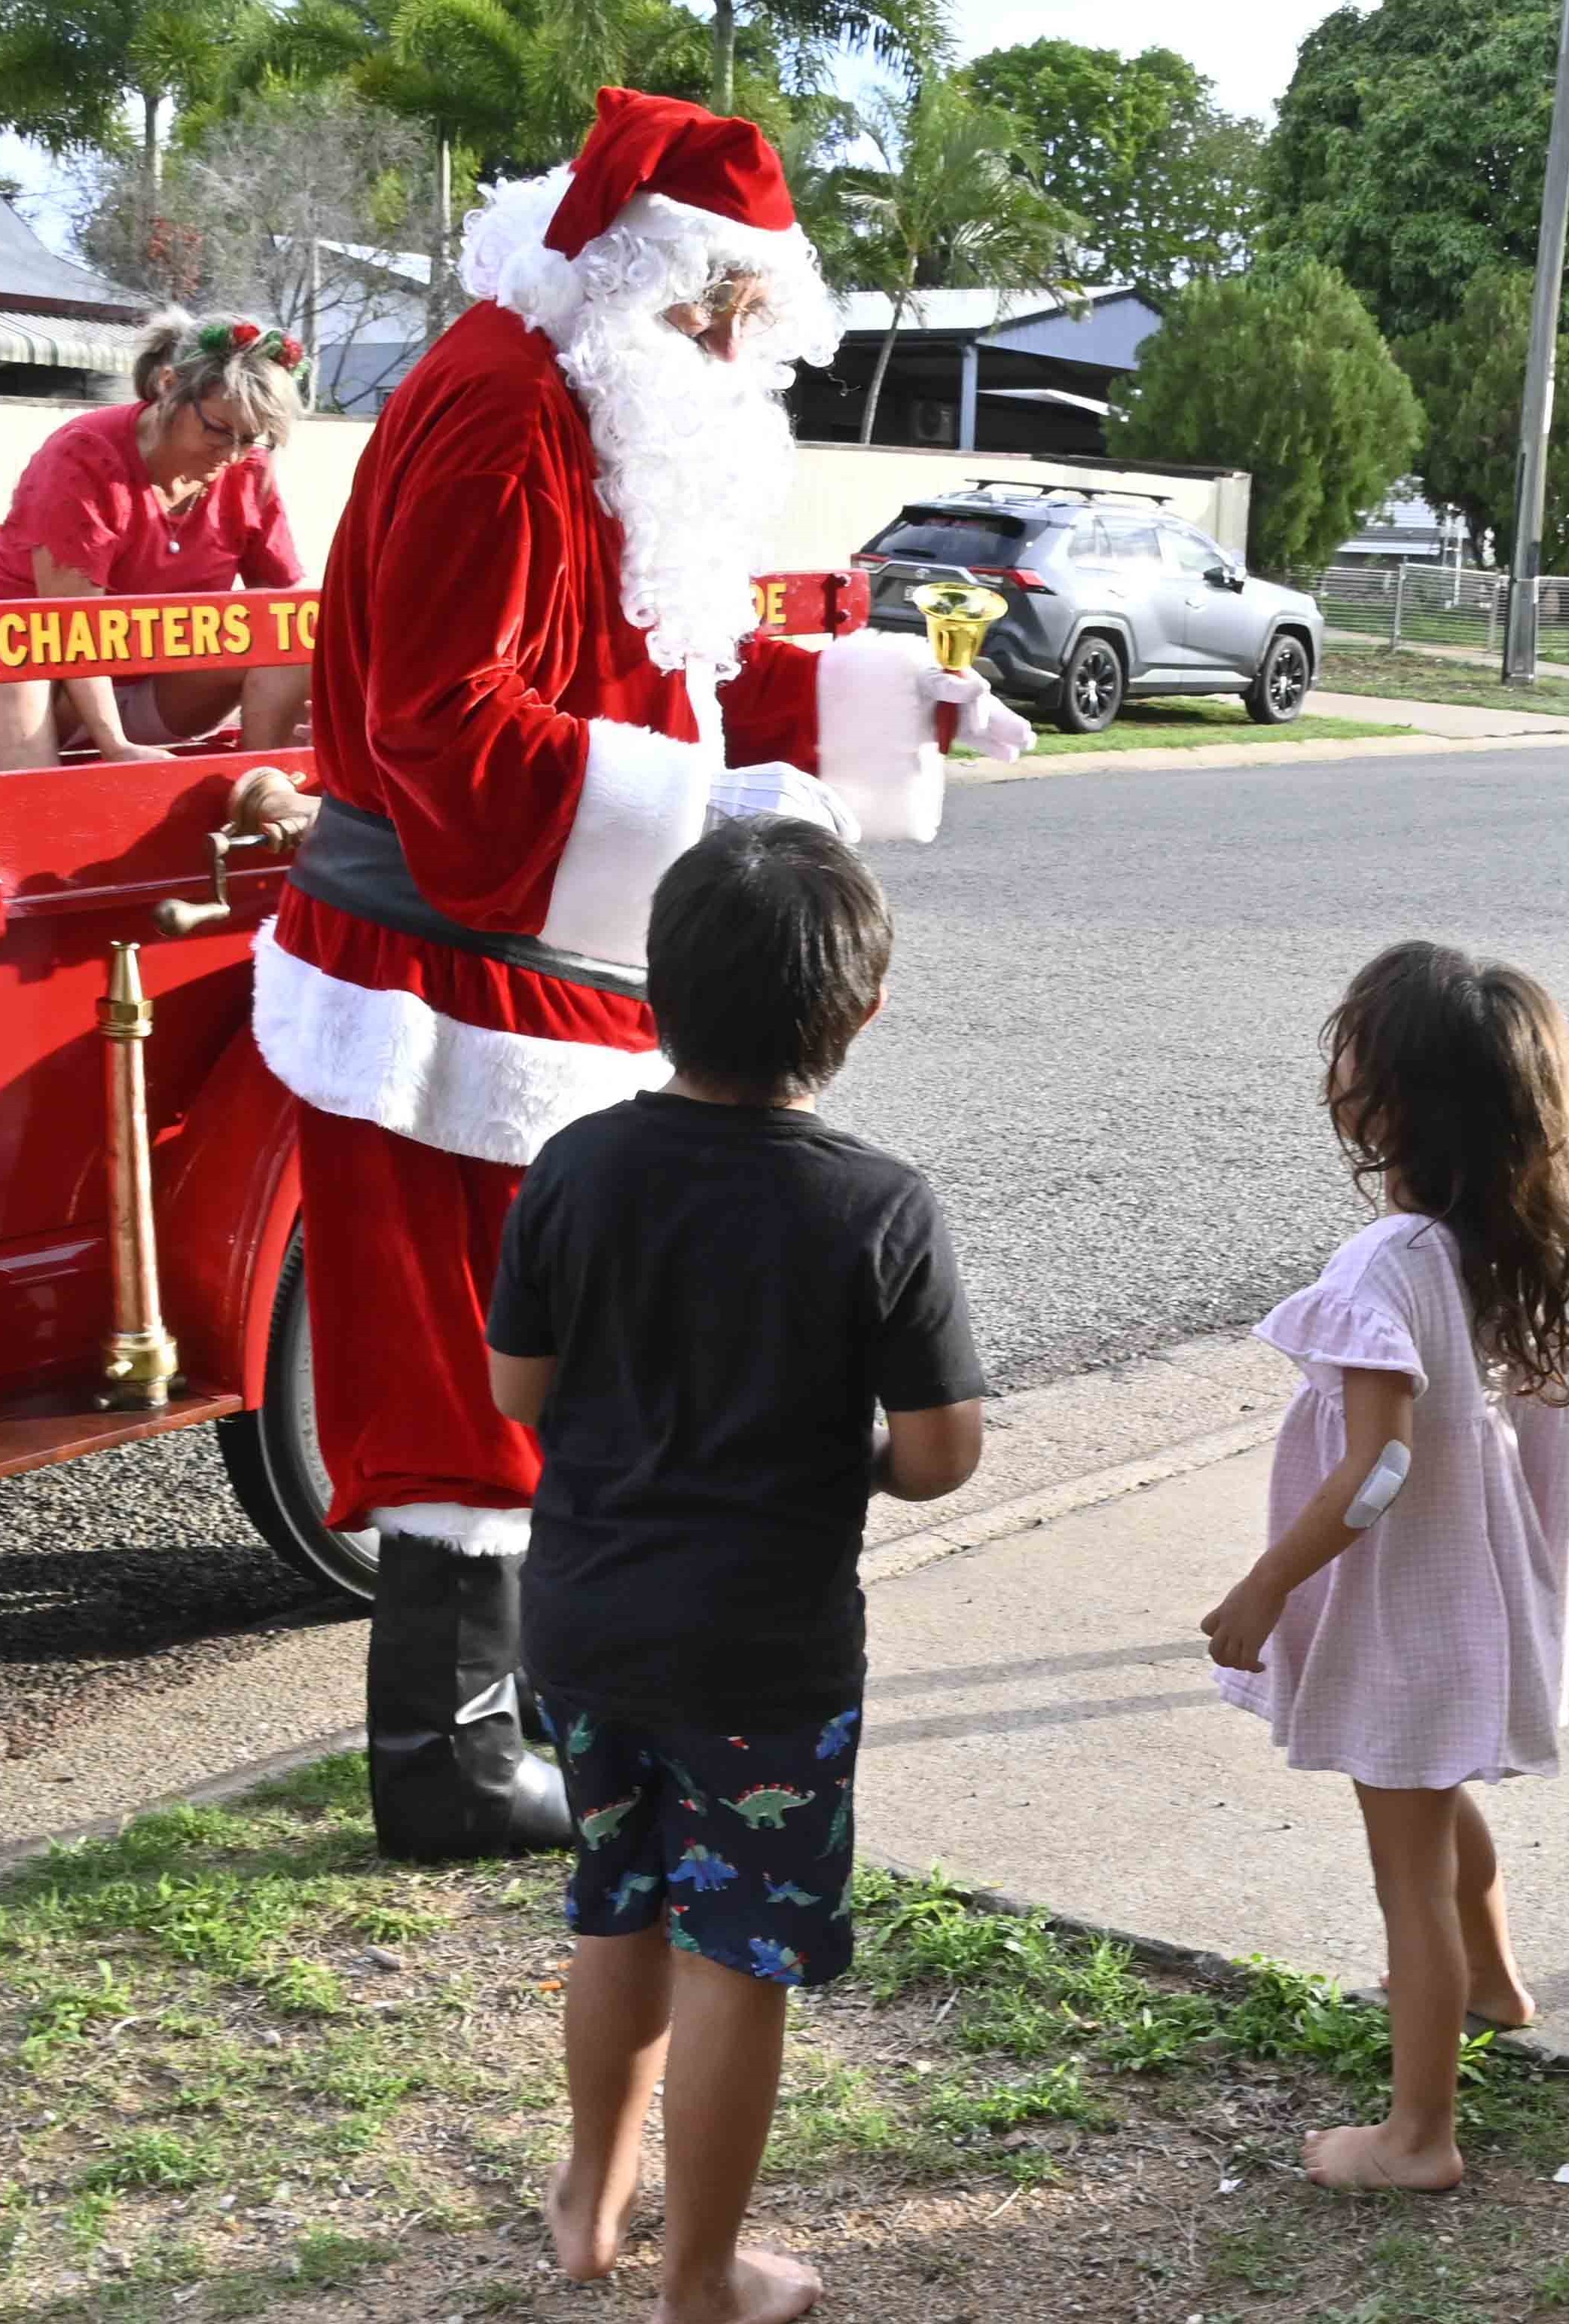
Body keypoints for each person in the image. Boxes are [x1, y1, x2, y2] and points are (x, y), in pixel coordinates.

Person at [249, 88, 1031, 1862]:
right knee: (461, 1377)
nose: (732, 348)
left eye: (746, 317)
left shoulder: (592, 404)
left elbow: (675, 662)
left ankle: (516, 1712)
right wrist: (717, 810)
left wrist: (887, 698)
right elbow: (448, 736)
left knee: (546, 1360)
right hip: (439, 986)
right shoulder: (502, 417)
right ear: (623, 278)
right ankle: (440, 1765)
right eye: (712, 312)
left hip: (532, 971)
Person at [487, 817, 984, 2324]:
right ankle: (696, 2291)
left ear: (650, 994)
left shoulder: (575, 1165)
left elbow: (519, 1383)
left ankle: (591, 2193)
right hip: (765, 1654)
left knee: (613, 1906)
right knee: (737, 1955)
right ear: (861, 1015)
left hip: (581, 1622)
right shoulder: (880, 1207)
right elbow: (940, 1454)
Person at [1204, 941, 1569, 2191]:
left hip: (1409, 1614)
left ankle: (1416, 2134)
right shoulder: (1512, 1250)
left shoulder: (1387, 1264)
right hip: (1469, 1606)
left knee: (1405, 1875)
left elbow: (1374, 1471)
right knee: (1434, 1810)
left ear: (1386, 1103)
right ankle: (1490, 1976)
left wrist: (1264, 1583)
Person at [0, 310, 310, 769]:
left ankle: (260, 784)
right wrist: (116, 747)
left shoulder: (249, 469)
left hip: (157, 688)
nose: (232, 454)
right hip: (50, 687)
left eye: (250, 438)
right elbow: (71, 630)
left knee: (293, 636)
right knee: (20, 656)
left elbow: (287, 605)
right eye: (220, 430)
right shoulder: (85, 455)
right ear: (168, 385)